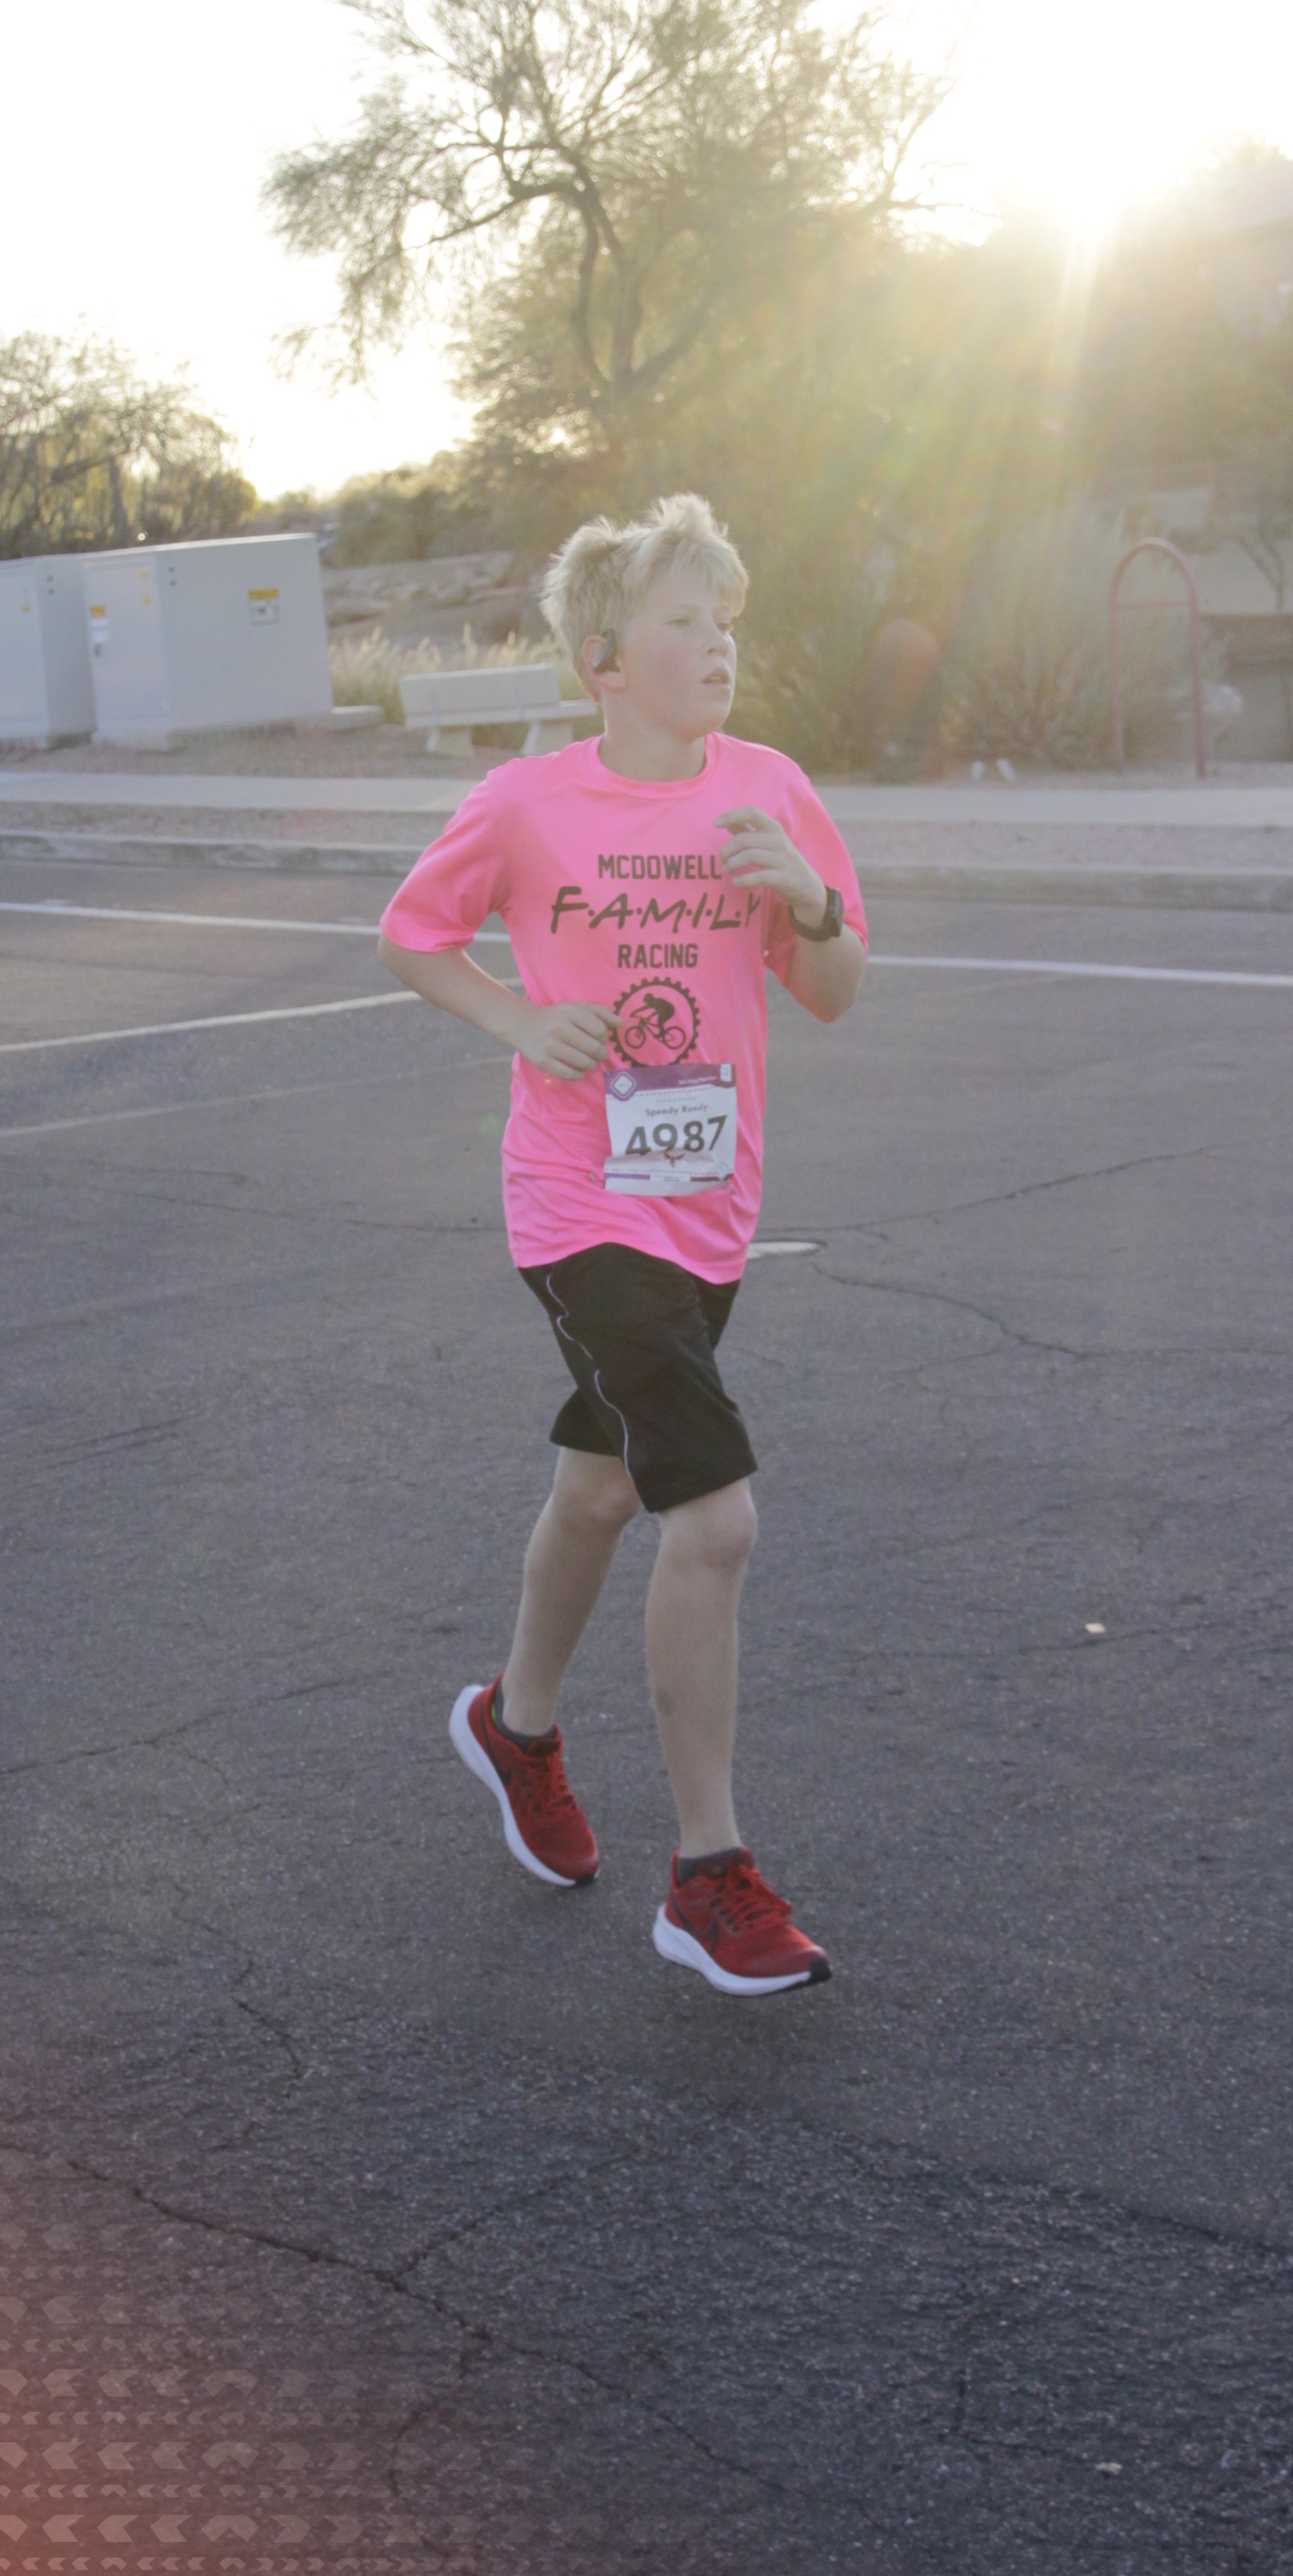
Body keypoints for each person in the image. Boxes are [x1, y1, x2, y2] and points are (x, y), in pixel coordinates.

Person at [377, 493, 868, 1993]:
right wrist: (520, 1020)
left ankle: (513, 1729)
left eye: (727, 620)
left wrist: (809, 905)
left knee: (600, 1485)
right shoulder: (530, 803)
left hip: (709, 1206)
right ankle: (708, 1876)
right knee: (711, 1521)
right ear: (604, 660)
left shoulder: (769, 789)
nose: (718, 644)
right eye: (683, 620)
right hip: (579, 1202)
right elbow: (412, 932)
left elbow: (835, 989)